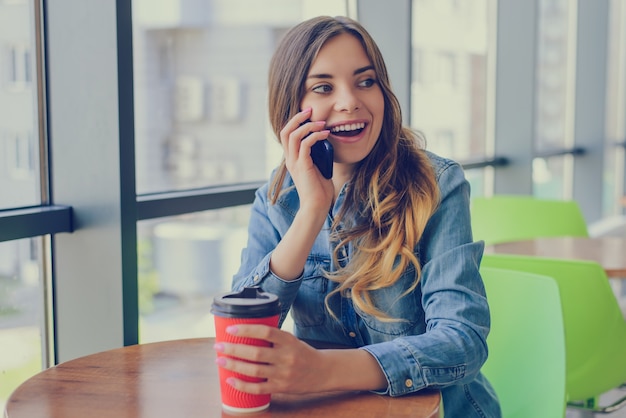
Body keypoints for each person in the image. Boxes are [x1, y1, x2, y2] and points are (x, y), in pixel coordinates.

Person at [216, 15, 501, 417]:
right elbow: (242, 333)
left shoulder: (436, 184)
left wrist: (324, 371)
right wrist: (312, 212)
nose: (350, 100)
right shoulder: (277, 199)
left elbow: (464, 341)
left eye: (365, 81)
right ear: (291, 109)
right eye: (323, 87)